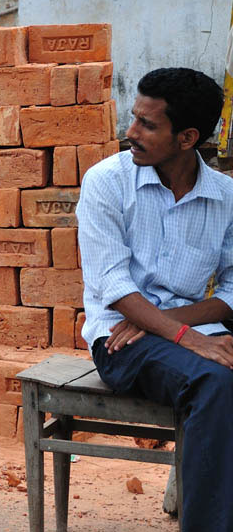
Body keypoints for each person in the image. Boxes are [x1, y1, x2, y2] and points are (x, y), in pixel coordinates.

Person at [78, 67, 233, 532]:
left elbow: (231, 291)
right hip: (119, 341)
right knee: (216, 382)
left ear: (187, 138)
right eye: (134, 118)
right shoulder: (107, 181)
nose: (131, 133)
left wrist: (170, 324)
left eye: (148, 125)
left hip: (175, 328)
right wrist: (185, 337)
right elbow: (115, 288)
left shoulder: (226, 196)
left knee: (216, 371)